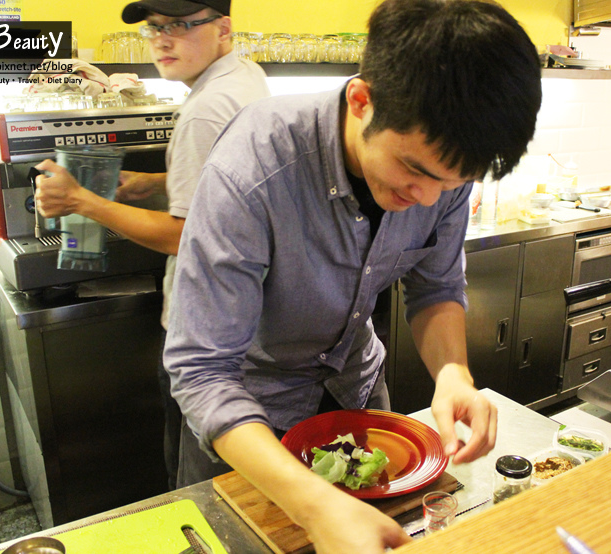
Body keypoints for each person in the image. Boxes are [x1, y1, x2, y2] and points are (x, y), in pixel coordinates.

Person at [166, 0, 541, 551]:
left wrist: (453, 374)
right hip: (249, 423)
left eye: (453, 184)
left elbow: (435, 286)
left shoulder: (445, 162)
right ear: (361, 100)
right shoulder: (255, 166)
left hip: (357, 395)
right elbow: (202, 372)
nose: (428, 199)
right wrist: (316, 507)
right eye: (414, 171)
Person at [34, 0, 270, 491]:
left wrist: (82, 200)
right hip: (250, 319)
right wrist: (153, 182)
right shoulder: (245, 78)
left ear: (222, 28)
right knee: (243, 480)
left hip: (206, 330)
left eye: (182, 25)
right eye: (155, 28)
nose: (163, 39)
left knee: (200, 479)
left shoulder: (204, 109)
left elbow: (188, 237)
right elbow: (229, 179)